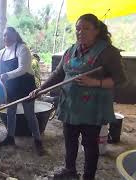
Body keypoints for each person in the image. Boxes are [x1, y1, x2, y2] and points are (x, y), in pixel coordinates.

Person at [29, 14, 128, 180]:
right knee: (70, 140)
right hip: (70, 105)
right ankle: (70, 171)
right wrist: (40, 89)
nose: (80, 32)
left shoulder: (108, 52)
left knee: (89, 145)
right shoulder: (71, 50)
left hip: (91, 109)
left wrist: (95, 82)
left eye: (86, 28)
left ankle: (88, 177)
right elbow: (59, 73)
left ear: (96, 31)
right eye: (78, 29)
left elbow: (121, 80)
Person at [0, 27, 45, 156]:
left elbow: (23, 68)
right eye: (4, 36)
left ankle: (38, 140)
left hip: (25, 86)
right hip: (11, 87)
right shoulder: (1, 53)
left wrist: (6, 75)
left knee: (30, 115)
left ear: (15, 35)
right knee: (10, 112)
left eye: (7, 35)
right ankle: (10, 138)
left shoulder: (22, 48)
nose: (5, 38)